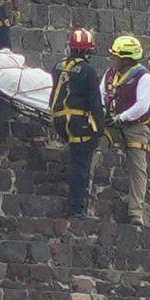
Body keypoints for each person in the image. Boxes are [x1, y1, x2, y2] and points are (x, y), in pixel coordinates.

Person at [99, 35, 150, 225]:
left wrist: (122, 117)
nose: (112, 59)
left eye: (116, 56)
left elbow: (142, 105)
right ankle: (85, 196)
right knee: (94, 147)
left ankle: (136, 213)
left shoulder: (144, 78)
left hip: (136, 126)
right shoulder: (109, 74)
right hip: (112, 124)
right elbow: (101, 95)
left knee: (138, 167)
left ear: (126, 59)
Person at [49, 29, 103, 218]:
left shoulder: (58, 66)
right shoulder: (88, 71)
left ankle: (75, 204)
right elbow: (95, 101)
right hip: (79, 122)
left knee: (75, 159)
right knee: (81, 165)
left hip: (59, 120)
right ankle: (76, 208)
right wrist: (99, 129)